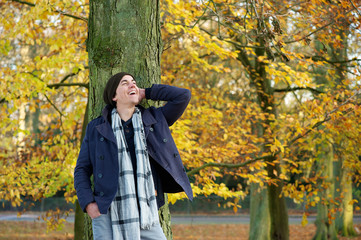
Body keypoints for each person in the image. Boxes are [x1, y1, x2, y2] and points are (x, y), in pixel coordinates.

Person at [74, 72, 193, 240]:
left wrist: (147, 92)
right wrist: (88, 204)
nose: (132, 85)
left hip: (146, 211)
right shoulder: (96, 128)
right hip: (108, 211)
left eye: (134, 82)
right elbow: (81, 169)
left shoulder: (154, 119)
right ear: (114, 96)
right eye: (125, 83)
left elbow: (183, 96)